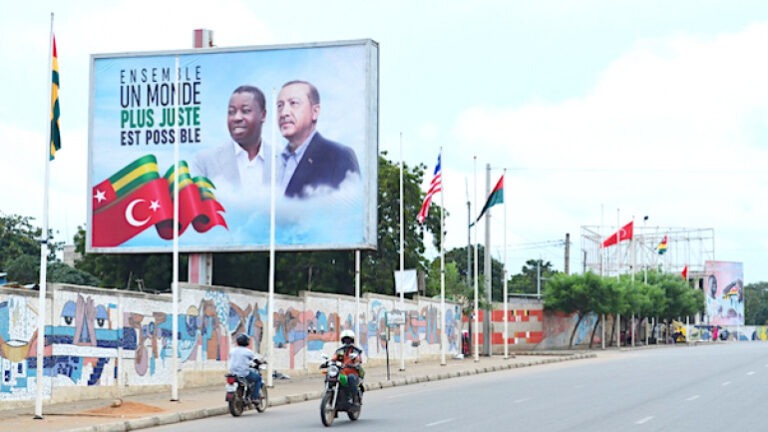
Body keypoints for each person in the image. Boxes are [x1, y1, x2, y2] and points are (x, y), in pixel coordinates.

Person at [275, 80, 360, 198]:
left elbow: (348, 210)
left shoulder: (338, 156)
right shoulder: (273, 163)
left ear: (315, 111)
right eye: (280, 106)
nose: (284, 113)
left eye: (293, 103)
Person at [192, 85, 271, 199]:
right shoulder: (204, 161)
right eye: (231, 112)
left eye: (246, 111)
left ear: (263, 115)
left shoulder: (281, 160)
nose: (237, 118)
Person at [332, 329, 364, 406]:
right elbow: (334, 358)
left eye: (348, 340)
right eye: (345, 340)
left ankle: (354, 398)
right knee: (331, 377)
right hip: (342, 373)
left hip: (353, 373)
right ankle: (331, 395)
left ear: (352, 340)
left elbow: (358, 359)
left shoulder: (355, 351)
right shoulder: (339, 351)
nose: (347, 341)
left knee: (351, 378)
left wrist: (356, 363)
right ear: (343, 340)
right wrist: (330, 362)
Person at [229, 333, 264, 402]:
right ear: (246, 342)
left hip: (232, 372)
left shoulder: (232, 350)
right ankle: (254, 398)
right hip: (243, 373)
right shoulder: (248, 351)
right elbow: (256, 360)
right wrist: (260, 362)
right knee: (258, 379)